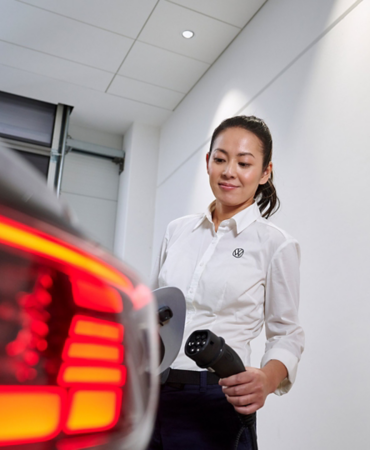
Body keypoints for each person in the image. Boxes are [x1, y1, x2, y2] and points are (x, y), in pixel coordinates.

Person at [148, 115, 304, 449]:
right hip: (150, 393)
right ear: (208, 162)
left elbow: (287, 334)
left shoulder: (276, 244)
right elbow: (151, 307)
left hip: (216, 399)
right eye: (220, 159)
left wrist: (267, 379)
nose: (229, 171)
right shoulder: (177, 231)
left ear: (265, 172)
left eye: (244, 163)